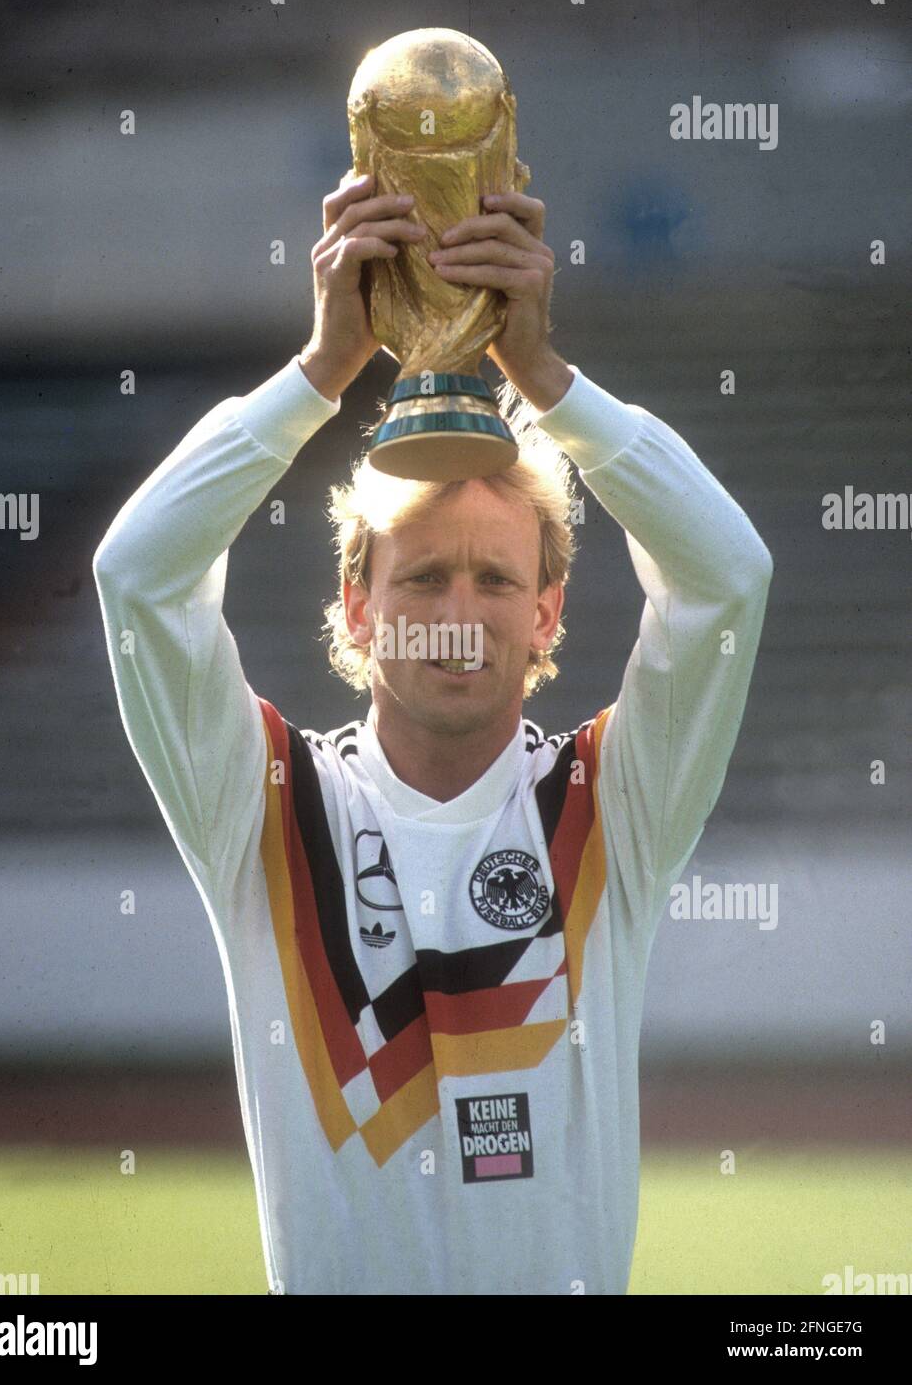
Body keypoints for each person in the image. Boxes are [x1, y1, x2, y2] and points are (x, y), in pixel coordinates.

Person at [92, 174, 773, 1295]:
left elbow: (729, 577)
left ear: (548, 611)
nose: (460, 613)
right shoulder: (257, 802)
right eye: (423, 576)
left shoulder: (615, 804)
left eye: (497, 577)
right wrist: (321, 370)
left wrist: (544, 377)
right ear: (357, 603)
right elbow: (136, 576)